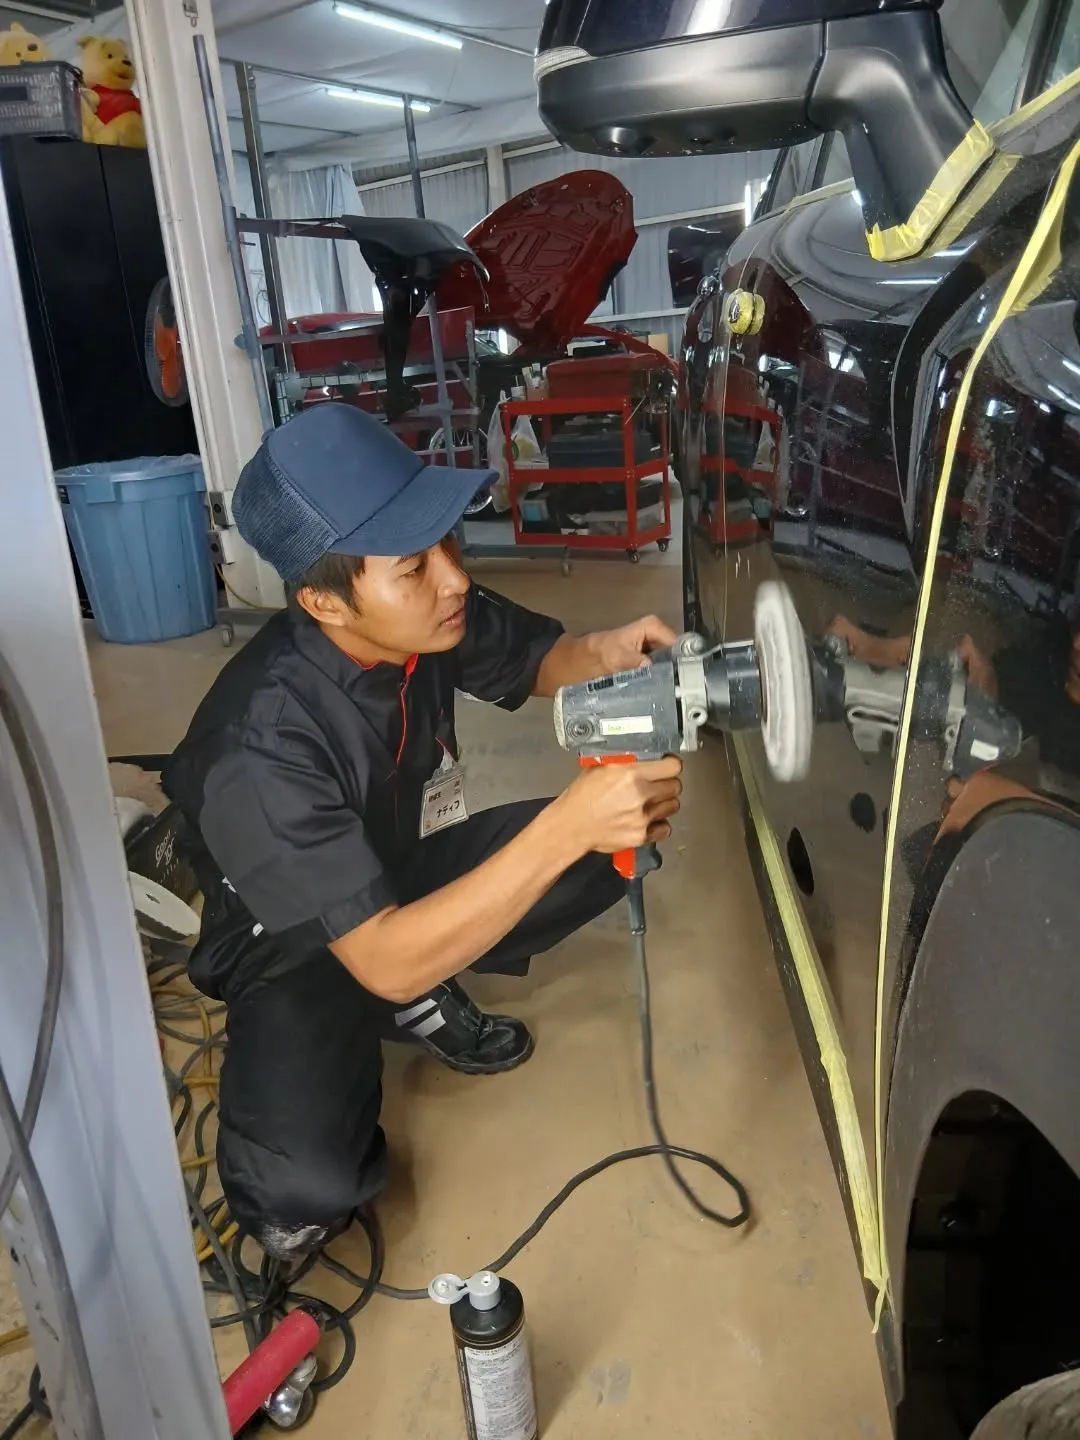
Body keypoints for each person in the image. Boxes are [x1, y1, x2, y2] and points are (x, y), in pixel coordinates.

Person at [163, 403, 683, 1262]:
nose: (453, 580)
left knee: (618, 842)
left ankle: (415, 980)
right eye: (414, 565)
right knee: (308, 1197)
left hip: (389, 868)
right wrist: (561, 824)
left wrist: (615, 651)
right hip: (293, 938)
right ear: (324, 600)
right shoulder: (259, 747)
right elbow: (382, 952)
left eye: (449, 544)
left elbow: (542, 660)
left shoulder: (423, 616)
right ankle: (390, 1004)